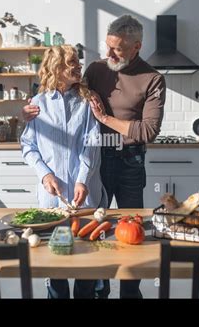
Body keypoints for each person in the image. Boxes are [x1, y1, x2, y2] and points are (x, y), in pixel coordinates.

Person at [23, 15, 166, 298]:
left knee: (130, 232)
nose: (108, 55)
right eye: (107, 46)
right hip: (97, 163)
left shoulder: (152, 79)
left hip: (128, 162)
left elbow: (148, 131)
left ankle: (128, 293)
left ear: (136, 46)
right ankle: (98, 292)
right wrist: (23, 115)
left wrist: (104, 118)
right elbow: (60, 91)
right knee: (93, 232)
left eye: (117, 50)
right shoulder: (97, 69)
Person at [21, 45, 107, 299]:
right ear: (57, 69)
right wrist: (45, 174)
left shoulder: (86, 100)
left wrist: (82, 179)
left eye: (78, 62)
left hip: (87, 195)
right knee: (55, 265)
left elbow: (92, 143)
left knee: (86, 264)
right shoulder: (37, 104)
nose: (79, 66)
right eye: (72, 63)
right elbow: (28, 146)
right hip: (52, 200)